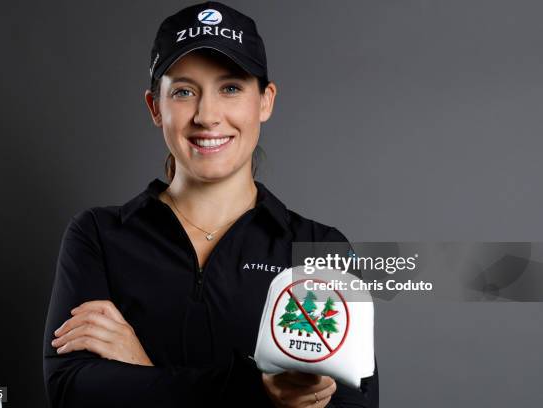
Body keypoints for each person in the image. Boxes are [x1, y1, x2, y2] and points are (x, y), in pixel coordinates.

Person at [42, 2, 379, 407]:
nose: (207, 115)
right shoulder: (98, 234)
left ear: (265, 101)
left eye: (231, 88)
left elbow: (352, 404)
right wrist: (259, 393)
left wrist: (141, 370)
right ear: (155, 107)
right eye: (184, 92)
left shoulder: (320, 249)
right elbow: (72, 391)